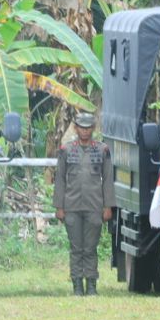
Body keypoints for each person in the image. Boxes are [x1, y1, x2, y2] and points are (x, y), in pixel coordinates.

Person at [54, 112, 113, 295]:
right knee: (76, 248)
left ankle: (92, 285)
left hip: (94, 206)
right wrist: (59, 206)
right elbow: (60, 179)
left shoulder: (102, 150)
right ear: (76, 127)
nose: (85, 131)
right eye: (82, 127)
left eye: (88, 127)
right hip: (71, 206)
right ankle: (77, 285)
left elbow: (108, 180)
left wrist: (108, 206)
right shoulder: (66, 150)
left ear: (93, 129)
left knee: (90, 248)